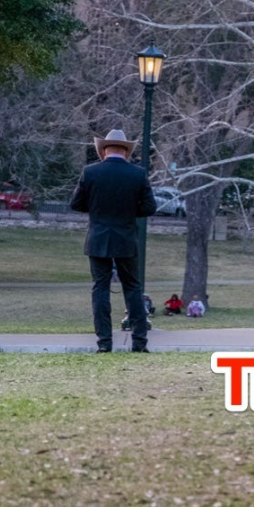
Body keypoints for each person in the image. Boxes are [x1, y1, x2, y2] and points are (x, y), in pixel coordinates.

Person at [70, 129, 157, 354]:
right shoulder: (137, 174)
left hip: (98, 237)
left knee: (100, 288)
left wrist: (98, 210)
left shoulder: (90, 172)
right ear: (126, 151)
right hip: (126, 237)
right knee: (133, 288)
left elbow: (76, 204)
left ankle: (104, 343)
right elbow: (149, 207)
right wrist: (128, 212)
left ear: (104, 150)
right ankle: (139, 343)